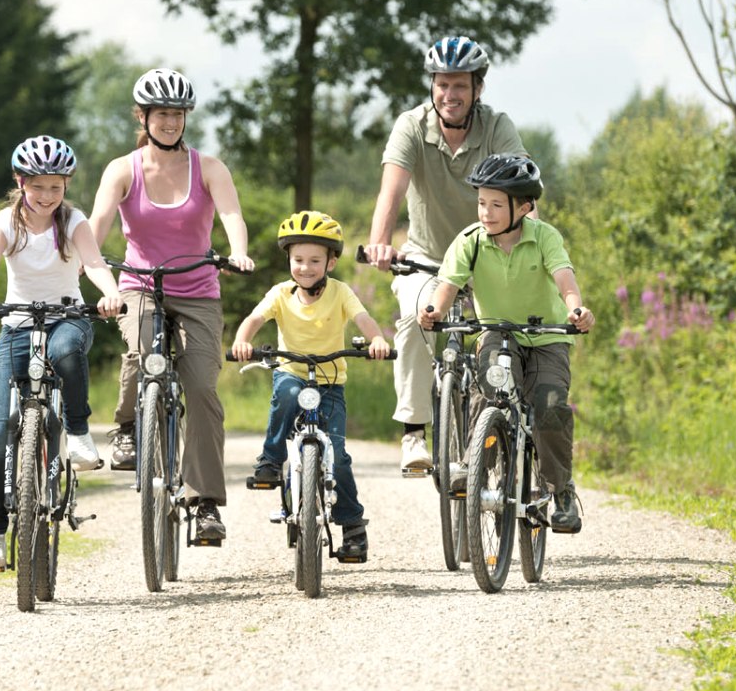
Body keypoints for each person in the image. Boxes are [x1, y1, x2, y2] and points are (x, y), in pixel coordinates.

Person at [89, 68, 254, 542]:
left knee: (201, 387)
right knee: (143, 353)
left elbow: (230, 214)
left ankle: (204, 503)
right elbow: (99, 220)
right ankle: (126, 427)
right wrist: (90, 263)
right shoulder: (124, 169)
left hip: (198, 289)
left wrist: (237, 250)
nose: (170, 122)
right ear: (143, 116)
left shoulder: (210, 168)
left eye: (178, 114)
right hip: (139, 285)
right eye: (162, 114)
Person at [0, 135, 125, 573]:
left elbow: (94, 264)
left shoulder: (72, 222)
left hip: (67, 317)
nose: (47, 196)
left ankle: (81, 434)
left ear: (66, 185)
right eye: (38, 186)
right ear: (20, 181)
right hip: (16, 324)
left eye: (56, 186)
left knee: (67, 350)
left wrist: (110, 295)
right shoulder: (6, 222)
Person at [362, 36, 526, 475]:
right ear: (431, 86)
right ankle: (414, 432)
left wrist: (524, 251)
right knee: (417, 318)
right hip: (428, 259)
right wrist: (380, 241)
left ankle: (497, 431)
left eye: (460, 86)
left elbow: (522, 191)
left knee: (504, 340)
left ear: (477, 89)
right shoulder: (412, 126)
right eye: (441, 85)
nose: (449, 95)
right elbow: (391, 189)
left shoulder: (497, 127)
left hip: (488, 259)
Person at [417, 153, 595, 533]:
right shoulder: (471, 241)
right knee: (490, 387)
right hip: (496, 331)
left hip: (547, 336)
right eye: (482, 202)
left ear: (524, 206)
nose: (486, 212)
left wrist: (576, 310)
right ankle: (477, 465)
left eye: (497, 204)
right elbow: (447, 286)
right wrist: (434, 310)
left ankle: (560, 490)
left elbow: (564, 279)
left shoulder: (545, 236)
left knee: (549, 406)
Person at [229, 211, 391, 563]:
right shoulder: (279, 294)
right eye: (298, 259)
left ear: (331, 262)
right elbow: (254, 319)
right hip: (292, 372)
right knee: (286, 395)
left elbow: (363, 319)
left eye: (315, 260)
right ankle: (271, 459)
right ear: (288, 259)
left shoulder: (342, 293)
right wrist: (243, 341)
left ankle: (352, 528)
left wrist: (376, 339)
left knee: (340, 457)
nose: (305, 267)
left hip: (331, 383)